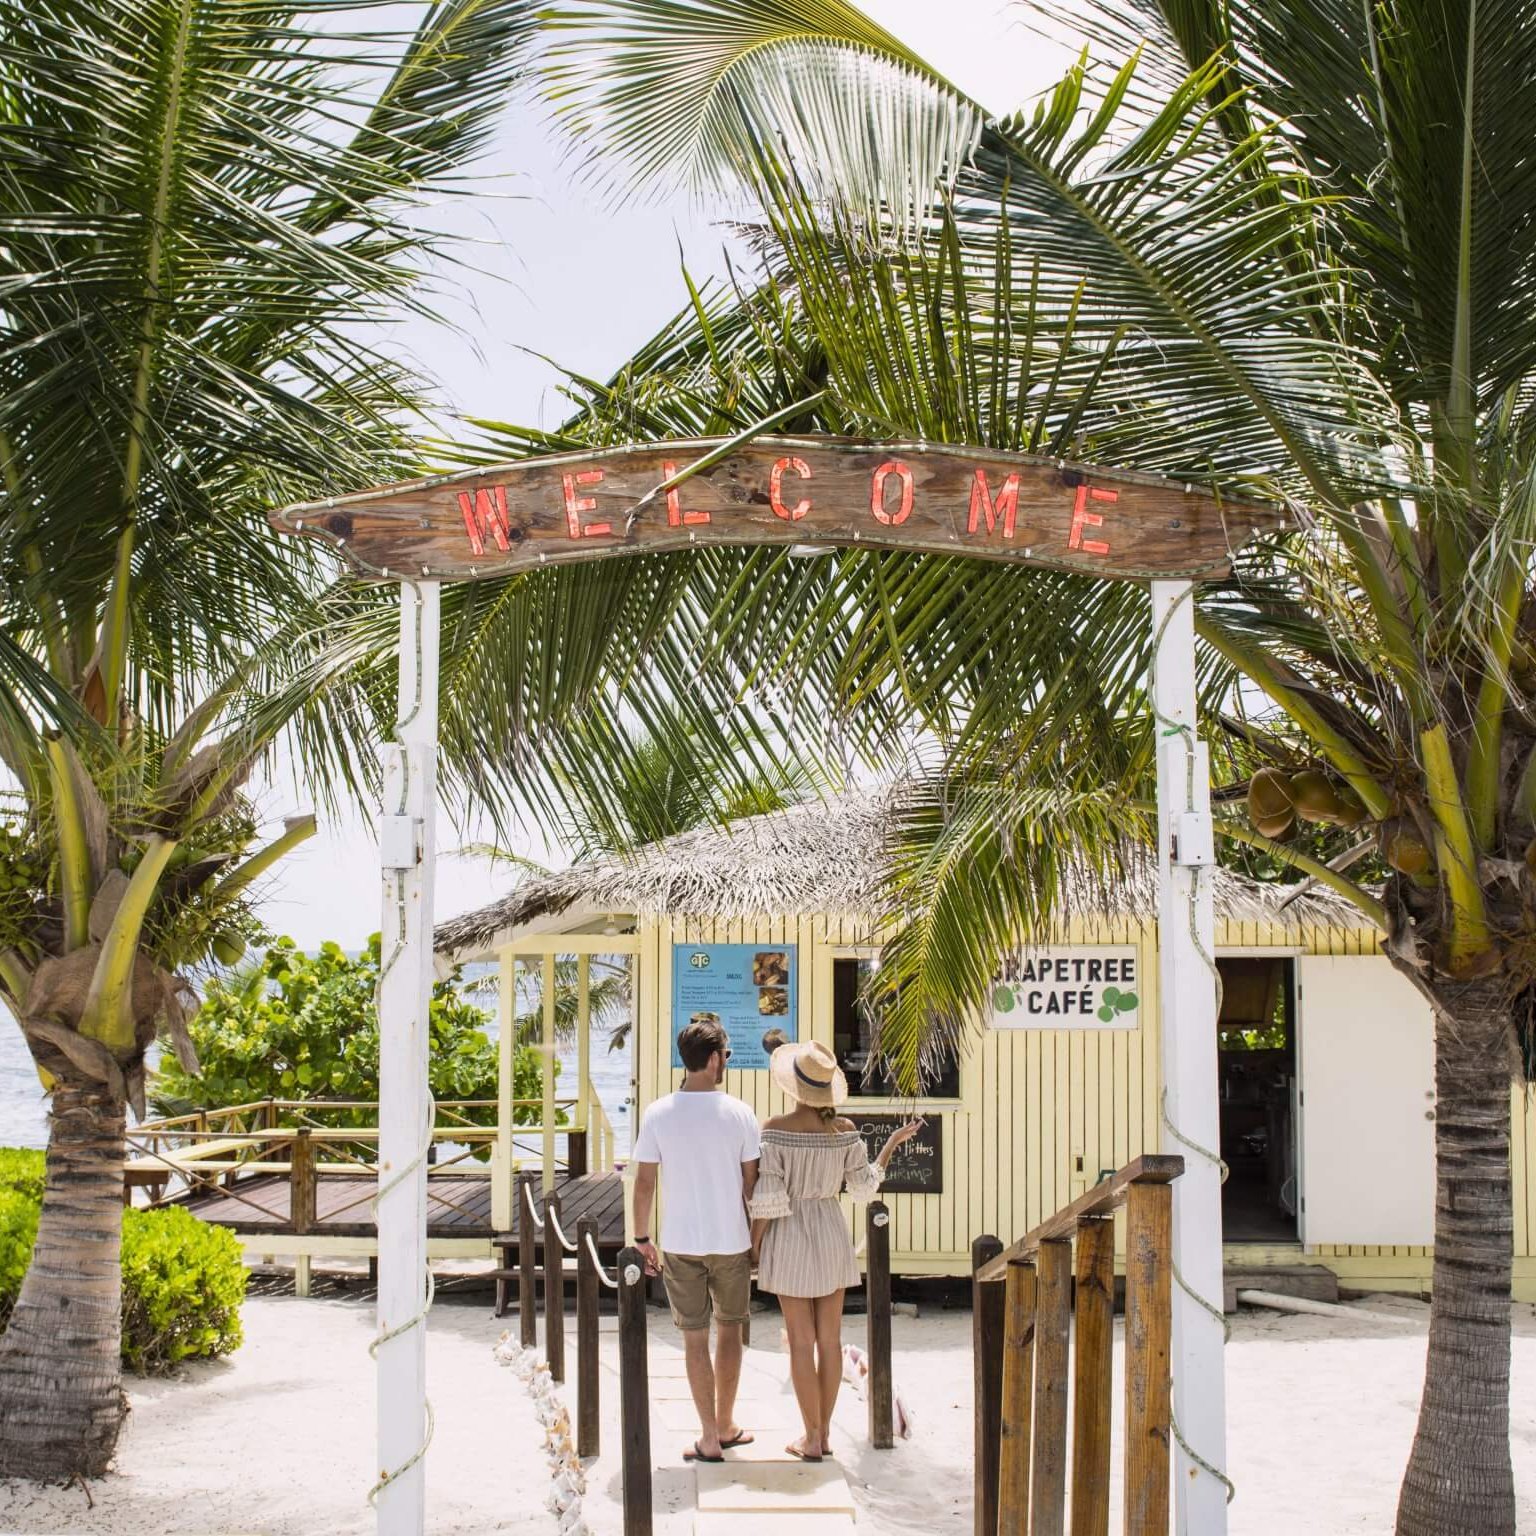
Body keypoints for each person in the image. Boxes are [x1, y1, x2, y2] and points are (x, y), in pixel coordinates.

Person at [748, 1039, 923, 1462]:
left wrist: (753, 1249)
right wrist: (893, 1143)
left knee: (800, 1342)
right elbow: (864, 1187)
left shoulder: (774, 1129)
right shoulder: (844, 1131)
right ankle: (822, 1436)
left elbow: (768, 1201)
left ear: (793, 1086)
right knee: (830, 1342)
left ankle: (811, 1436)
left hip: (789, 1233)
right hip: (831, 1232)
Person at [631, 1018, 761, 1465]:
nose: (726, 1061)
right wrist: (758, 1239)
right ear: (712, 1059)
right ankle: (726, 1424)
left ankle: (708, 1434)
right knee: (729, 1330)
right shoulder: (740, 1112)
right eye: (725, 1055)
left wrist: (642, 1237)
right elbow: (752, 1187)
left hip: (680, 1241)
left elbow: (644, 1182)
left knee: (693, 1338)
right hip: (730, 1239)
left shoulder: (658, 1112)